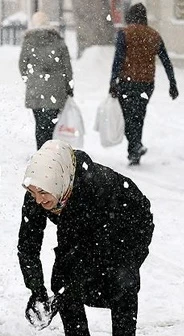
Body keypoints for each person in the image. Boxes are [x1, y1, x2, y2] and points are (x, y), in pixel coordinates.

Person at [18, 140, 154, 335]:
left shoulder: (96, 187)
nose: (38, 199)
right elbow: (27, 245)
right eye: (32, 192)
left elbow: (92, 250)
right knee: (62, 280)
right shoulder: (39, 188)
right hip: (84, 229)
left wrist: (66, 292)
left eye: (43, 193)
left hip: (126, 226)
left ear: (59, 182)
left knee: (121, 282)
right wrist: (36, 290)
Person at [109, 3, 178, 165]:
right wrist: (172, 83)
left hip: (127, 83)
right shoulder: (154, 35)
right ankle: (135, 149)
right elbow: (166, 61)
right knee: (138, 116)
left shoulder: (124, 34)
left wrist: (113, 81)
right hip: (146, 84)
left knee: (128, 117)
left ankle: (135, 147)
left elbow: (118, 60)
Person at [18, 12, 74, 150]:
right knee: (50, 124)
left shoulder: (29, 40)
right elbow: (67, 67)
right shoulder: (58, 40)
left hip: (36, 89)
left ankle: (41, 151)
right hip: (56, 88)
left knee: (39, 124)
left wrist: (31, 79)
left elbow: (22, 65)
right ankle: (49, 151)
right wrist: (69, 86)